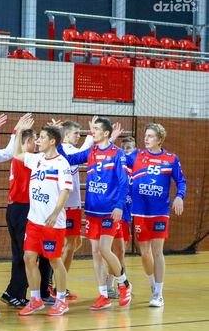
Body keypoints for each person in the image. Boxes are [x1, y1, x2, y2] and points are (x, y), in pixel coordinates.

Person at [58, 117, 132, 310]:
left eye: (97, 129)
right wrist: (57, 139)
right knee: (95, 253)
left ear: (106, 133)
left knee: (105, 249)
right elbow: (68, 159)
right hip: (92, 210)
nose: (93, 132)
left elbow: (123, 182)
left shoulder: (117, 154)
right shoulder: (91, 151)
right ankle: (103, 295)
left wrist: (119, 205)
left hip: (110, 210)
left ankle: (124, 284)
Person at [12, 118, 73, 316]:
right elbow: (16, 154)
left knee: (54, 259)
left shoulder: (61, 163)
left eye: (43, 137)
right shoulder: (36, 159)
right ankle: (35, 299)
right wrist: (18, 132)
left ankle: (61, 300)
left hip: (52, 223)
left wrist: (55, 213)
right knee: (28, 258)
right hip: (34, 221)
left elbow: (65, 190)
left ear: (52, 141)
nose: (38, 141)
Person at [126, 124, 186, 307]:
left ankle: (159, 294)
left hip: (160, 211)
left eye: (151, 136)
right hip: (140, 211)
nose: (146, 138)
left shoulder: (171, 159)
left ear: (159, 139)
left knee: (157, 251)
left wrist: (179, 197)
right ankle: (152, 284)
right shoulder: (136, 155)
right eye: (146, 135)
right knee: (145, 253)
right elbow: (118, 160)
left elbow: (181, 181)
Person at [54, 118, 96, 301]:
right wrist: (94, 135)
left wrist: (92, 135)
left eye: (80, 133)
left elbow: (83, 150)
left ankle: (56, 283)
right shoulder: (67, 150)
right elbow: (85, 152)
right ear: (65, 135)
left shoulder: (68, 150)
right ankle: (58, 286)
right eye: (76, 133)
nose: (79, 136)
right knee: (69, 245)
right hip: (68, 206)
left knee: (75, 243)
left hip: (72, 205)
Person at [0, 128, 36, 308]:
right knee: (26, 254)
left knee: (20, 253)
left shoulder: (19, 158)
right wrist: (19, 130)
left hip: (14, 209)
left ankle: (15, 292)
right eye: (34, 140)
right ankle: (14, 293)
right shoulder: (25, 158)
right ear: (27, 142)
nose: (37, 144)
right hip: (22, 209)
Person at [107, 136, 136, 298]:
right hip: (117, 211)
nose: (125, 151)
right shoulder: (118, 164)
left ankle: (119, 284)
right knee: (117, 251)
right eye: (123, 148)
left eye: (129, 148)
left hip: (127, 213)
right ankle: (112, 285)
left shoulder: (136, 167)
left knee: (119, 251)